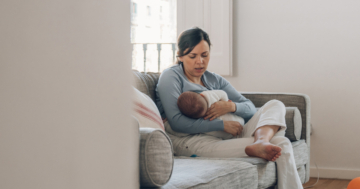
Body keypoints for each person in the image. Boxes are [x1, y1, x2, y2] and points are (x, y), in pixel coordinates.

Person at [155, 27, 303, 189]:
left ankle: (261, 140)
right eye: (193, 56)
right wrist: (222, 125)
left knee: (276, 105)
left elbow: (250, 108)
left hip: (230, 134)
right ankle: (262, 143)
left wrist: (230, 106)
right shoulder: (171, 77)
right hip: (194, 141)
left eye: (205, 55)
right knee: (281, 143)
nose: (200, 61)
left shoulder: (214, 79)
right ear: (181, 56)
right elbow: (177, 123)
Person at [177, 90, 244, 139]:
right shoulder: (208, 95)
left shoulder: (208, 96)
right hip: (236, 124)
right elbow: (222, 93)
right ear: (201, 95)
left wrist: (226, 104)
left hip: (233, 128)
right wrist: (225, 100)